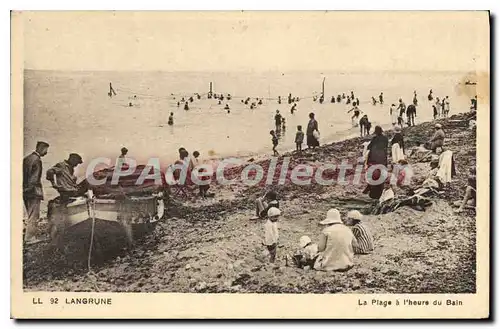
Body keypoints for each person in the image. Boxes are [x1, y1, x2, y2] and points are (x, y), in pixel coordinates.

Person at [23, 141, 49, 244]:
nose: (46, 152)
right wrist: (34, 190)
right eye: (46, 150)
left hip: (25, 191)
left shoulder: (27, 158)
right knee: (34, 215)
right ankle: (30, 238)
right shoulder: (37, 160)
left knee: (29, 214)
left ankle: (29, 236)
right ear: (42, 148)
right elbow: (34, 179)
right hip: (33, 192)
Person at [364, 126, 389, 199]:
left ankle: (371, 191)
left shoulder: (374, 139)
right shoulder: (385, 139)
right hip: (383, 160)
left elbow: (369, 147)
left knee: (373, 176)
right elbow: (386, 147)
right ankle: (379, 193)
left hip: (374, 160)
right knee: (381, 176)